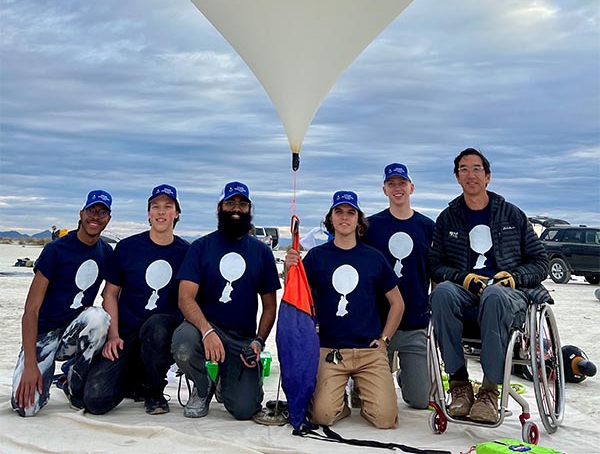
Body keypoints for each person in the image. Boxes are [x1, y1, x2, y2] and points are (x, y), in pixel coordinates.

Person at [428, 148, 550, 423]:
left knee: (494, 295)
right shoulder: (448, 218)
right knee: (442, 293)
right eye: (463, 169)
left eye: (476, 168)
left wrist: (515, 277)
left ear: (488, 176)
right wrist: (462, 278)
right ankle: (459, 386)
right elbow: (435, 264)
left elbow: (540, 262)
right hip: (466, 291)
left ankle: (490, 391)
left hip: (508, 292)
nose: (470, 174)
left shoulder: (512, 215)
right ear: (457, 177)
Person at [285, 190, 403, 429]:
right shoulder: (317, 257)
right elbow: (296, 297)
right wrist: (290, 269)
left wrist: (385, 339)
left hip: (369, 352)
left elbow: (398, 303)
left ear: (359, 220)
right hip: (330, 350)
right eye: (339, 211)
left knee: (385, 420)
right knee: (322, 416)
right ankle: (342, 399)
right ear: (331, 218)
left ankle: (363, 388)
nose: (345, 217)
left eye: (351, 212)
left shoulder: (374, 258)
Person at [172, 181, 280, 421]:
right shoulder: (201, 247)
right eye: (230, 203)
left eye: (242, 204)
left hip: (241, 339)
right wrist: (207, 331)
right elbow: (185, 298)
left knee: (244, 410)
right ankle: (202, 387)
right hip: (204, 329)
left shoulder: (262, 252)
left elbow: (270, 306)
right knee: (184, 343)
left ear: (249, 209)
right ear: (219, 207)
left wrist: (259, 342)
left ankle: (226, 382)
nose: (236, 209)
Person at [83, 184, 189, 415]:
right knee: (95, 401)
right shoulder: (128, 248)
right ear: (149, 214)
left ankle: (154, 391)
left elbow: (192, 298)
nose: (161, 212)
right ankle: (133, 378)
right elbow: (109, 294)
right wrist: (113, 336)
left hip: (163, 334)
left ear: (176, 213)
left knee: (157, 325)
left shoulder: (187, 252)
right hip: (127, 333)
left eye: (167, 207)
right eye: (155, 207)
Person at [11, 190, 114, 416]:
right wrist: (30, 363)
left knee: (99, 318)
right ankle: (43, 375)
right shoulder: (55, 251)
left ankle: (73, 382)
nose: (95, 217)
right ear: (81, 213)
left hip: (73, 333)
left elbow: (112, 295)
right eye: (91, 211)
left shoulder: (106, 252)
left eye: (102, 212)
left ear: (108, 219)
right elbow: (31, 310)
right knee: (25, 408)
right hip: (44, 334)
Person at [363, 163, 435, 409]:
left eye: (401, 183)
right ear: (384, 189)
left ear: (411, 187)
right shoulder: (370, 227)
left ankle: (408, 374)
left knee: (421, 401)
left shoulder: (427, 227)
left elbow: (436, 273)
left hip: (415, 324)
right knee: (367, 401)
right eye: (391, 184)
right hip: (377, 325)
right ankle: (361, 378)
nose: (397, 188)